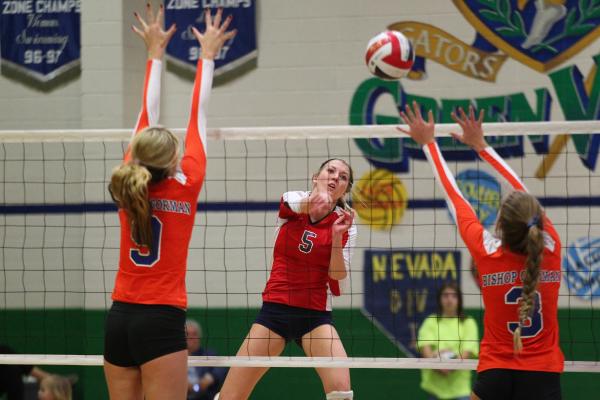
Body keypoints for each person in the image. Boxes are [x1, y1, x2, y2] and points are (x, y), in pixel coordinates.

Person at [103, 4, 235, 399]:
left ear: (139, 153)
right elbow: (199, 114)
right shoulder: (187, 182)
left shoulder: (129, 182)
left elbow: (147, 112)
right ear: (172, 159)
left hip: (119, 318)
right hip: (162, 320)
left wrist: (153, 54)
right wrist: (207, 56)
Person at [398, 102, 563, 400]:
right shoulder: (551, 246)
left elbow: (454, 196)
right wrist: (483, 147)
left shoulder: (488, 253)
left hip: (495, 371)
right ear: (536, 219)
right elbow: (521, 190)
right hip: (543, 373)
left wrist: (429, 144)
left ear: (500, 223)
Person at [217, 159, 357, 400]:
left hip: (315, 315)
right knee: (231, 396)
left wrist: (336, 237)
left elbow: (337, 284)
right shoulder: (293, 200)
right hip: (276, 311)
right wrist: (313, 202)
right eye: (330, 171)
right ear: (316, 177)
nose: (335, 178)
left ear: (346, 188)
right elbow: (290, 204)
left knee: (342, 391)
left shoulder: (346, 225)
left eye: (343, 177)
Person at [417, 282, 479, 400]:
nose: (449, 300)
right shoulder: (431, 321)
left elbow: (466, 353)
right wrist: (437, 364)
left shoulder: (468, 323)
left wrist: (447, 365)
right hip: (435, 390)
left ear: (459, 299)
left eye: (454, 296)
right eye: (445, 295)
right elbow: (425, 350)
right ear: (440, 299)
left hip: (460, 390)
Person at [186, 319, 227, 400]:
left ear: (199, 337)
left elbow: (221, 368)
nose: (190, 338)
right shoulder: (175, 358)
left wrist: (209, 378)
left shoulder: (209, 354)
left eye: (194, 334)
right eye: (187, 334)